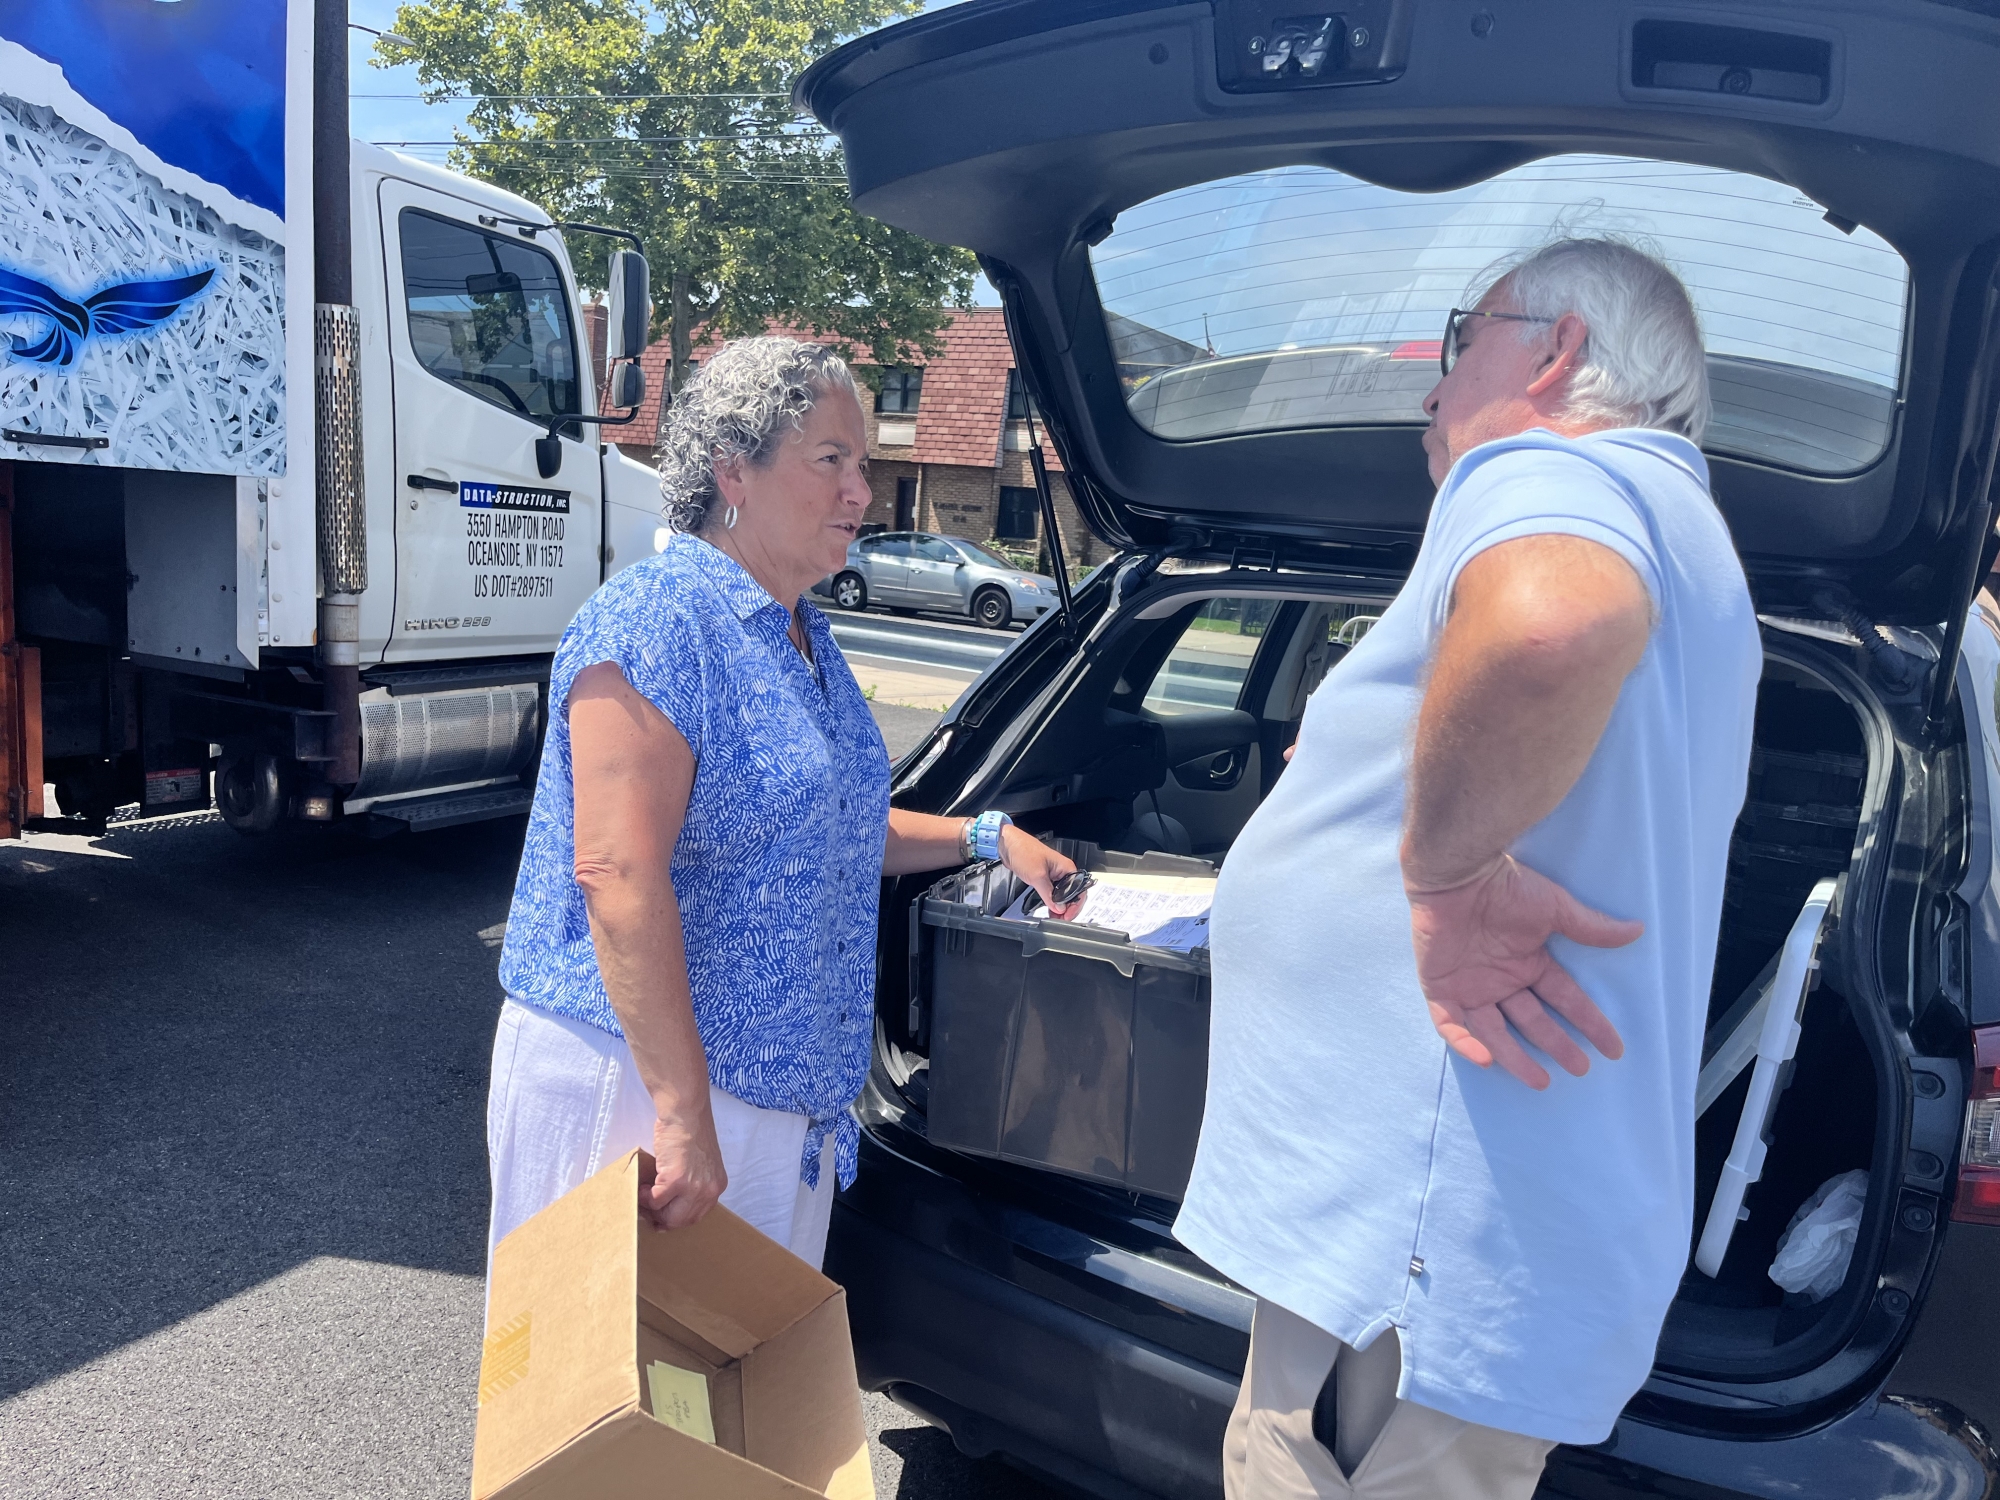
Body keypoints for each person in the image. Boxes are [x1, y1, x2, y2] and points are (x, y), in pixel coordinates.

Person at [1175, 239, 1760, 1499]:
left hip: (1408, 1258)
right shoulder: (1680, 526)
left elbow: (1552, 622)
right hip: (1441, 1253)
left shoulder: (1552, 468)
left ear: (1556, 352)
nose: (1432, 390)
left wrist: (1443, 882)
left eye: (1460, 339)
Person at [484, 336, 1078, 1274]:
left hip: (778, 1115)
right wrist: (682, 1112)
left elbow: (826, 829)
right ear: (734, 470)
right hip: (637, 1091)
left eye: (864, 466)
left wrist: (987, 837)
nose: (860, 492)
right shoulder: (658, 619)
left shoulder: (803, 632)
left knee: (737, 1373)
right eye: (831, 460)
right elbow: (616, 873)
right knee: (587, 1366)